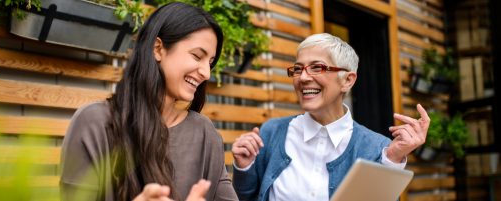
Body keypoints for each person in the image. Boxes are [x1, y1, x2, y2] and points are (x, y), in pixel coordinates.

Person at [59, 2, 238, 201]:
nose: (206, 73)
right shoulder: (95, 123)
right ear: (158, 48)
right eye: (197, 56)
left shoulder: (205, 133)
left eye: (211, 63)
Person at [231, 33, 430, 201]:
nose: (303, 77)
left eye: (317, 67)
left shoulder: (378, 148)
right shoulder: (271, 132)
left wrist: (392, 161)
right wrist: (244, 166)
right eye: (298, 69)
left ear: (348, 80)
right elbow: (245, 197)